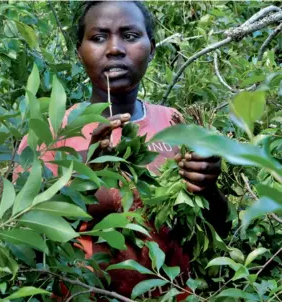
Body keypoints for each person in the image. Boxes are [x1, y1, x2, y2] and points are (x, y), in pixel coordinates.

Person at [15, 1, 230, 299]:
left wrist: (208, 188)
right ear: (80, 51)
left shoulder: (177, 126)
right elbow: (21, 245)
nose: (115, 48)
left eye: (129, 36)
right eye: (99, 37)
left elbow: (220, 228)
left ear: (151, 48)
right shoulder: (48, 136)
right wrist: (84, 183)